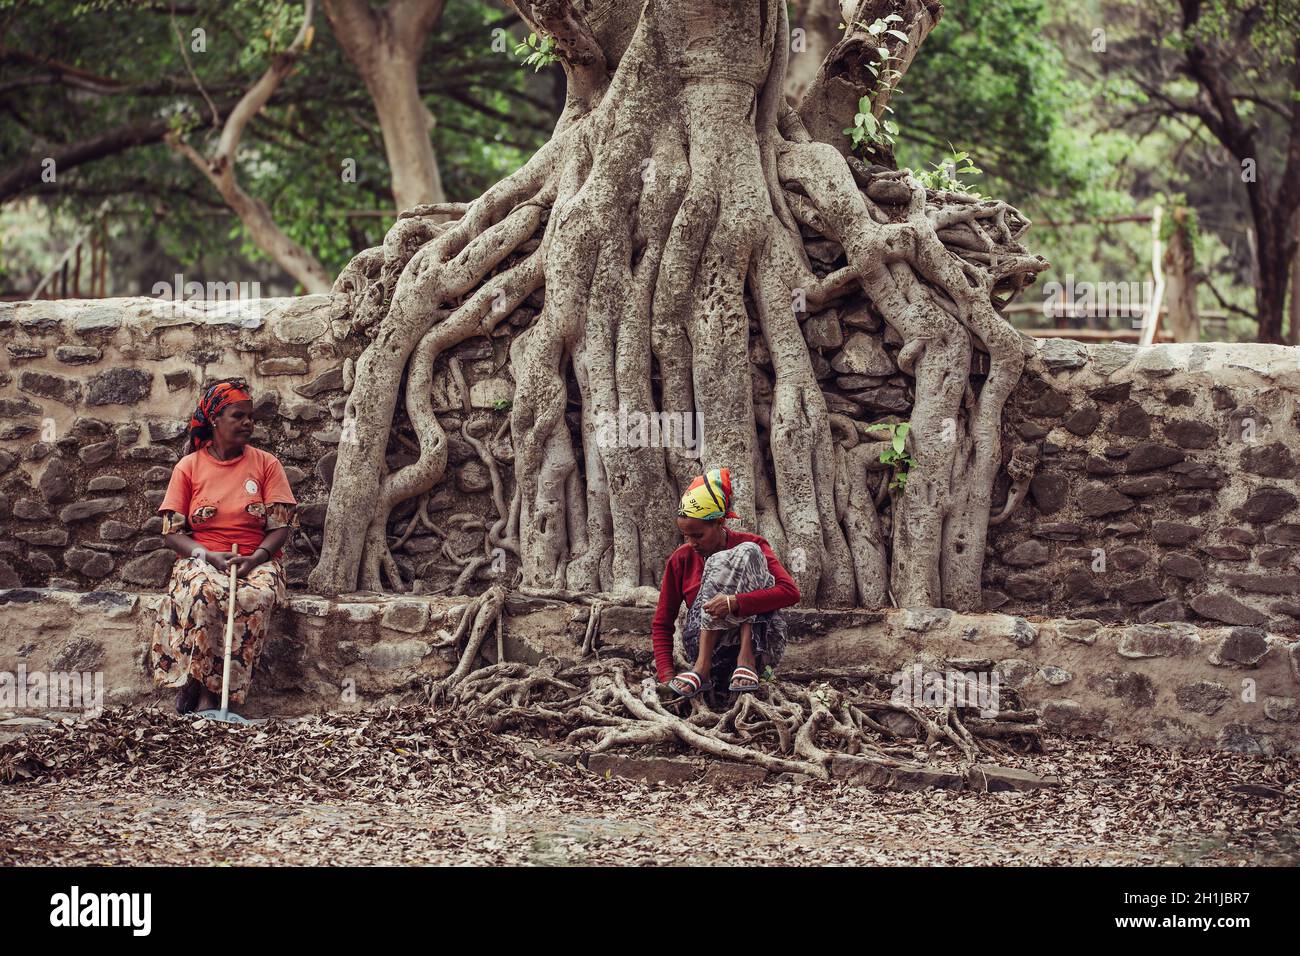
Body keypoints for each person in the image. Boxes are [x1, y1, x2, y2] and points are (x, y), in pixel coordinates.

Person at [149, 378, 299, 715]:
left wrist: (256, 557)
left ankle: (221, 699)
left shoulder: (266, 464)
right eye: (238, 416)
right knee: (203, 592)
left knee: (253, 598)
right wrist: (209, 557)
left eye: (251, 417)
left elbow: (280, 527)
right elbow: (172, 533)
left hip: (256, 560)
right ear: (215, 419)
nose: (248, 423)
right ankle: (201, 692)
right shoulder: (189, 467)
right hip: (202, 557)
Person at [651, 467, 801, 698]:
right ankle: (701, 669)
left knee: (749, 554)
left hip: (762, 645)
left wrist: (735, 602)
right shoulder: (681, 558)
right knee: (720, 564)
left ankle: (746, 658)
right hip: (706, 648)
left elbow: (789, 592)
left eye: (698, 535)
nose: (691, 543)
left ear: (719, 522)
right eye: (686, 536)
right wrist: (667, 677)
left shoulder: (752, 543)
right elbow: (662, 623)